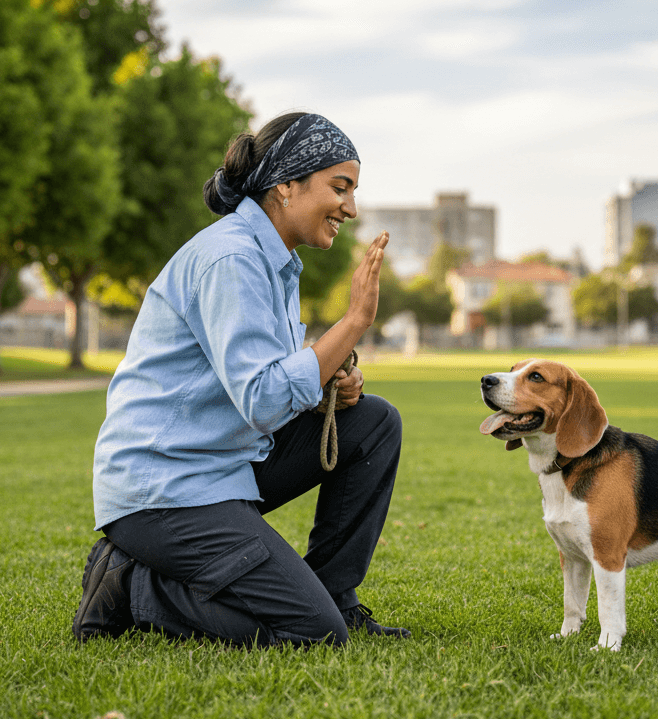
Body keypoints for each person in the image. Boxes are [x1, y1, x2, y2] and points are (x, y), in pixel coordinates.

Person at [72, 112, 408, 647]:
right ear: (286, 186)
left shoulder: (277, 263)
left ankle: (333, 597)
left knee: (372, 423)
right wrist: (353, 322)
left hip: (224, 467)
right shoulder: (230, 258)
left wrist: (330, 387)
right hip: (165, 490)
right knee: (311, 634)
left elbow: (263, 378)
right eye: (339, 187)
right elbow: (264, 398)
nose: (350, 206)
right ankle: (130, 585)